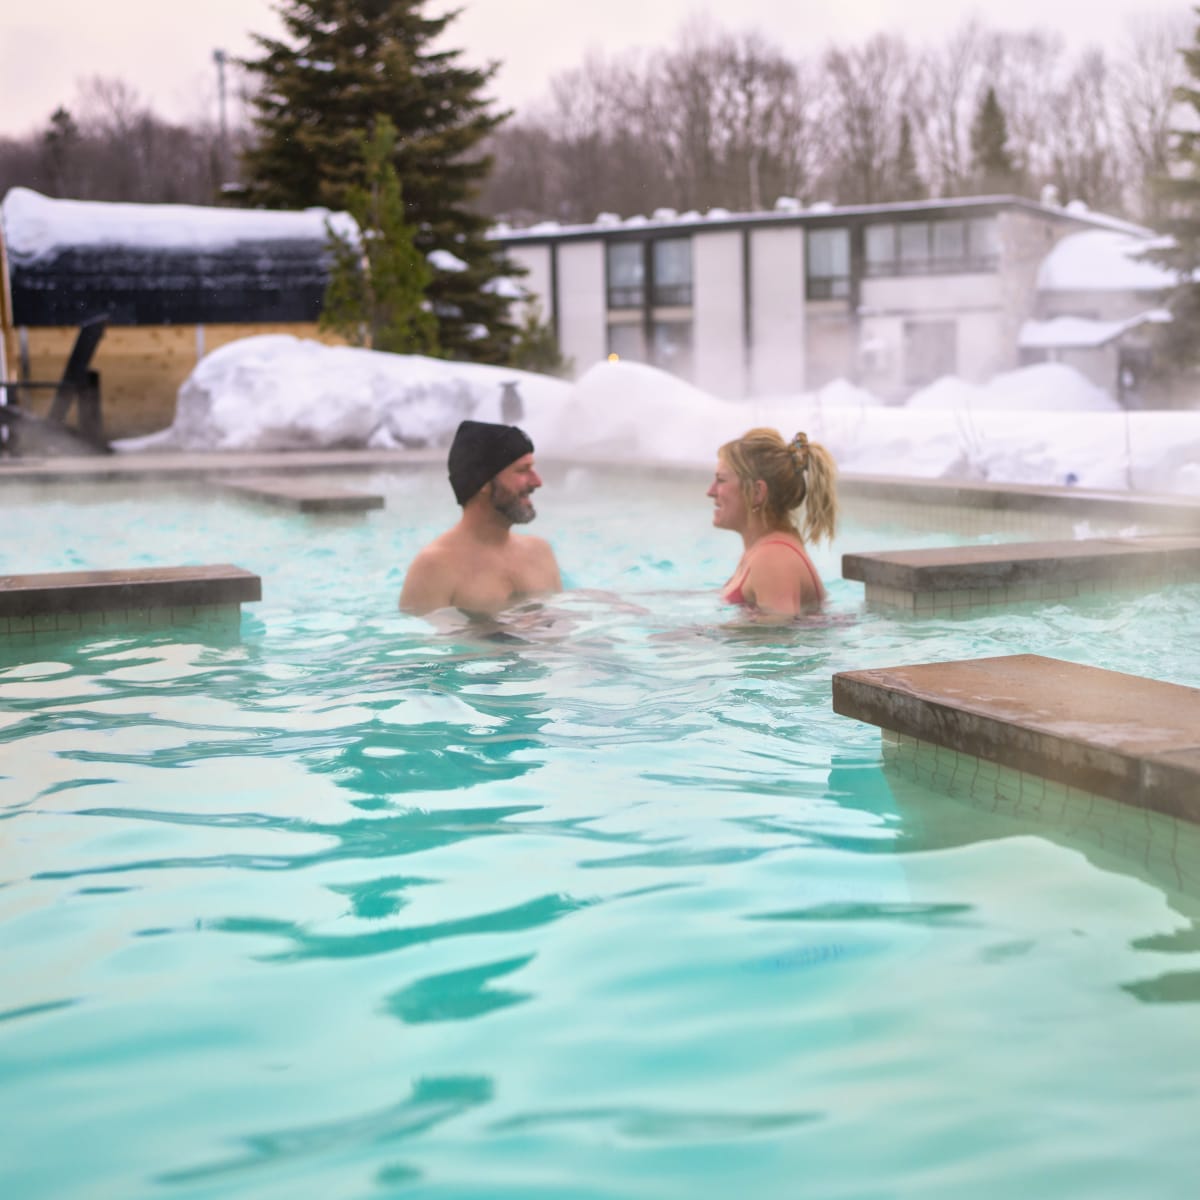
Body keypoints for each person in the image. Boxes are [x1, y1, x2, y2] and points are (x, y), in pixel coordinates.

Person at [400, 419, 563, 616]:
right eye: (522, 470)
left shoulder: (540, 553)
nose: (537, 482)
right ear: (483, 483)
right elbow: (420, 643)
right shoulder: (434, 567)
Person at [707, 427, 837, 618]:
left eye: (721, 480)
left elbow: (779, 636)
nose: (710, 491)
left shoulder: (773, 558)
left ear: (757, 492)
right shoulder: (761, 550)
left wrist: (694, 634)